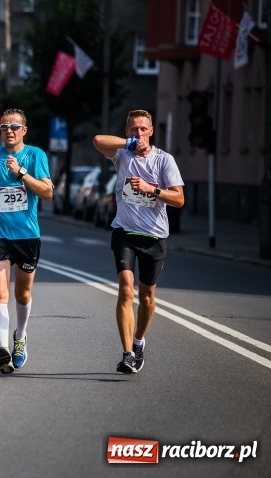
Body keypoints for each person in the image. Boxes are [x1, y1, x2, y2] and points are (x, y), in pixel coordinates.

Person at [93, 109, 184, 374]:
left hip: (154, 236)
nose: (139, 133)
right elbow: (97, 140)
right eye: (134, 129)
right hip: (125, 233)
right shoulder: (122, 155)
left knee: (147, 297)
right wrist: (128, 143)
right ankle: (127, 354)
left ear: (152, 131)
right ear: (127, 131)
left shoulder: (164, 160)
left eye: (143, 129)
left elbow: (179, 199)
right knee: (125, 289)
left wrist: (150, 189)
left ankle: (139, 341)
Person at [0, 109, 53, 374]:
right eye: (4, 127)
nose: (9, 131)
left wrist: (21, 174)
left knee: (23, 294)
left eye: (14, 127)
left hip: (27, 234)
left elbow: (47, 192)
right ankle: (3, 349)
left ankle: (20, 337)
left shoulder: (36, 155)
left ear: (24, 130)